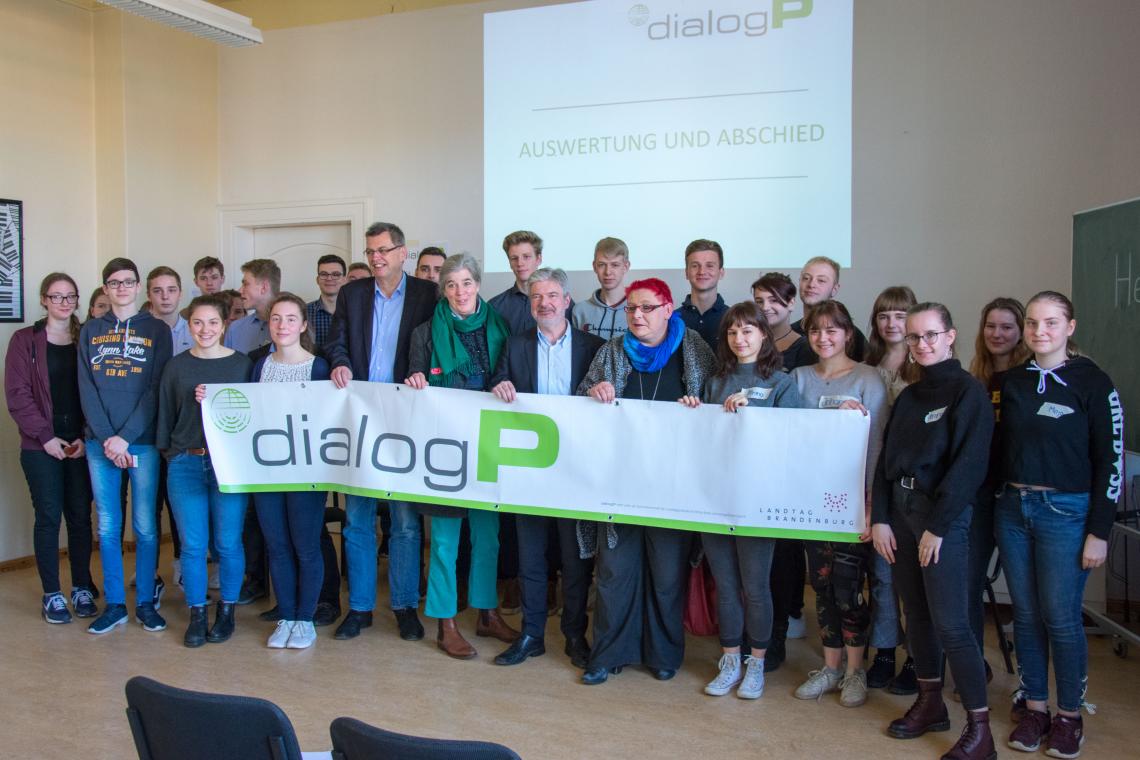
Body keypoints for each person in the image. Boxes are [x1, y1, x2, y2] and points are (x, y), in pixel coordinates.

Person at [996, 291, 1120, 758]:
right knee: (1024, 617)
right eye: (1031, 323)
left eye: (1050, 322)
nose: (1039, 331)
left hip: (1067, 515)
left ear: (1070, 327)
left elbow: (1109, 461)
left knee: (1062, 619)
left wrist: (1100, 531)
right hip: (1013, 509)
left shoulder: (1093, 382)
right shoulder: (1011, 382)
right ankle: (1035, 708)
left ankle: (1069, 716)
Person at [871, 302, 996, 759]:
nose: (921, 345)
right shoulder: (908, 396)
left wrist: (938, 528)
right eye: (914, 338)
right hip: (900, 516)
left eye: (930, 336)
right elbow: (886, 464)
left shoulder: (968, 393)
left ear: (950, 337)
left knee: (953, 625)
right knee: (916, 617)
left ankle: (980, 731)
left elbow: (969, 468)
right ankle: (930, 703)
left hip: (942, 520)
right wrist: (880, 518)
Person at [577, 277, 716, 684]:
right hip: (618, 485)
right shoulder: (613, 351)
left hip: (673, 488)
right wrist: (595, 391)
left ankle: (663, 654)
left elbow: (714, 412)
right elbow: (584, 397)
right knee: (615, 572)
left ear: (668, 309)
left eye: (647, 308)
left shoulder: (695, 351)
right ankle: (607, 655)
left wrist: (699, 407)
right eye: (631, 309)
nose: (637, 315)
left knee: (667, 573)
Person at [678, 301, 803, 699]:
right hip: (717, 496)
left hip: (758, 501)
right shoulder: (716, 380)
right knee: (727, 586)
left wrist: (754, 417)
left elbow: (792, 441)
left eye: (748, 331)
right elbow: (704, 440)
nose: (739, 339)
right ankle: (730, 658)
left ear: (764, 335)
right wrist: (694, 410)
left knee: (755, 586)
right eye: (733, 332)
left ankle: (756, 663)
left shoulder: (782, 383)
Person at [325, 221, 436, 642]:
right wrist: (339, 362)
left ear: (403, 253)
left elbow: (433, 347)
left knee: (405, 522)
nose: (376, 258)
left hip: (407, 419)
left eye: (384, 250)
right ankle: (360, 608)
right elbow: (337, 341)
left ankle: (405, 606)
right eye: (371, 251)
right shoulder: (353, 294)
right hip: (361, 418)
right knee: (358, 518)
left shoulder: (427, 295)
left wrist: (422, 374)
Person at [404, 253, 520, 657]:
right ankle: (445, 621)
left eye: (466, 283)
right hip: (444, 448)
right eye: (451, 285)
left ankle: (487, 614)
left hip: (487, 446)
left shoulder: (501, 327)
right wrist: (415, 378)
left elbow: (508, 374)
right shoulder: (423, 333)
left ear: (478, 285)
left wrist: (504, 382)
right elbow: (413, 379)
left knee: (488, 537)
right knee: (444, 542)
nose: (459, 292)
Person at [489, 268, 604, 667]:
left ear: (567, 300)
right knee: (531, 559)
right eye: (537, 297)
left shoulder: (594, 346)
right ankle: (532, 635)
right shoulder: (516, 344)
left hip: (574, 472)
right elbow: (499, 379)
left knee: (574, 562)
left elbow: (608, 395)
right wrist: (499, 385)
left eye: (553, 295)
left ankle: (574, 637)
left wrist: (601, 391)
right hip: (530, 473)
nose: (545, 303)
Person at [789, 299, 888, 707]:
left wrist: (870, 506)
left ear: (848, 334)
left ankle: (854, 671)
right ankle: (829, 668)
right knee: (822, 586)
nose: (823, 338)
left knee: (850, 589)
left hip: (853, 502)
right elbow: (788, 437)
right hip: (812, 502)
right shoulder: (797, 378)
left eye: (832, 330)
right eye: (815, 330)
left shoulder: (870, 379)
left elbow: (879, 448)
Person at [79, 257, 173, 635]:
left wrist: (125, 437)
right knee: (107, 524)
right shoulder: (90, 330)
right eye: (113, 283)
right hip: (99, 443)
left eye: (128, 282)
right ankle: (116, 604)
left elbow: (155, 390)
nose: (121, 288)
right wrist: (107, 438)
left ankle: (146, 603)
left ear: (138, 287)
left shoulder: (157, 330)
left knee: (146, 525)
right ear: (105, 289)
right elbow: (86, 388)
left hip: (143, 442)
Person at [157, 295, 252, 647]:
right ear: (189, 325)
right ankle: (197, 612)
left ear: (224, 324)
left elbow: (252, 415)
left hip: (229, 465)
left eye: (212, 322)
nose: (205, 330)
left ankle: (226, 611)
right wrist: (172, 455)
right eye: (197, 323)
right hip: (186, 462)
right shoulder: (176, 366)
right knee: (193, 546)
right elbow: (165, 416)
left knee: (228, 543)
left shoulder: (242, 366)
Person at [5, 273, 97, 624]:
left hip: (80, 444)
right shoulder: (24, 341)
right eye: (56, 297)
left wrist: (86, 437)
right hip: (39, 446)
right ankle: (53, 594)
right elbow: (17, 395)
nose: (64, 303)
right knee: (47, 518)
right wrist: (45, 437)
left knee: (79, 517)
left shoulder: (86, 338)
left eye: (70, 296)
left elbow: (97, 390)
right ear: (44, 300)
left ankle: (81, 588)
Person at [250, 293, 333, 650]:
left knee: (305, 546)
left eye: (290, 319)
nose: (282, 326)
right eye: (276, 319)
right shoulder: (259, 366)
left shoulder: (319, 367)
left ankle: (305, 618)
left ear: (303, 325)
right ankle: (285, 615)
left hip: (305, 471)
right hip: (266, 470)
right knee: (277, 546)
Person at [967, 297, 1031, 674]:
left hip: (1017, 496)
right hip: (978, 496)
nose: (998, 333)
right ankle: (974, 666)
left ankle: (1029, 679)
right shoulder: (975, 379)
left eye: (1007, 326)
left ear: (1021, 331)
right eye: (991, 326)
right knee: (968, 585)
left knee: (1026, 594)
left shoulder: (1031, 378)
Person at [863, 285, 920, 693]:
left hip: (914, 487)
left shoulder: (925, 365)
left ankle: (919, 658)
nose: (891, 323)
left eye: (900, 316)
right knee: (881, 577)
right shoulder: (867, 365)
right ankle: (884, 651)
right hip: (873, 480)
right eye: (884, 315)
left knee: (914, 582)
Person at [791, 256, 868, 361]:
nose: (811, 284)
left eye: (821, 280)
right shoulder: (790, 332)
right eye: (806, 278)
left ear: (834, 289)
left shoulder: (853, 335)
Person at [752, 272, 814, 372]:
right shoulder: (746, 341)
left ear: (791, 303)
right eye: (759, 301)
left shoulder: (805, 348)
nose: (765, 308)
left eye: (773, 300)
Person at [573, 236, 632, 341]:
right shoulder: (580, 310)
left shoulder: (638, 310)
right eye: (602, 265)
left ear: (626, 267)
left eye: (615, 265)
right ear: (594, 267)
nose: (608, 272)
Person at [677, 239, 728, 349]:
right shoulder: (672, 320)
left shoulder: (733, 318)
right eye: (695, 266)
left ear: (721, 273)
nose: (702, 272)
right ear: (686, 273)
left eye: (709, 265)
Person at [224, 258, 278, 355]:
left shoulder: (291, 329)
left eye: (246, 284)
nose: (240, 290)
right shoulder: (234, 329)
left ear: (264, 287)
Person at [306, 254, 346, 348]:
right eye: (324, 274)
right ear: (317, 280)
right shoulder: (304, 312)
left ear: (344, 280)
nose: (329, 278)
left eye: (336, 274)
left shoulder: (354, 312)